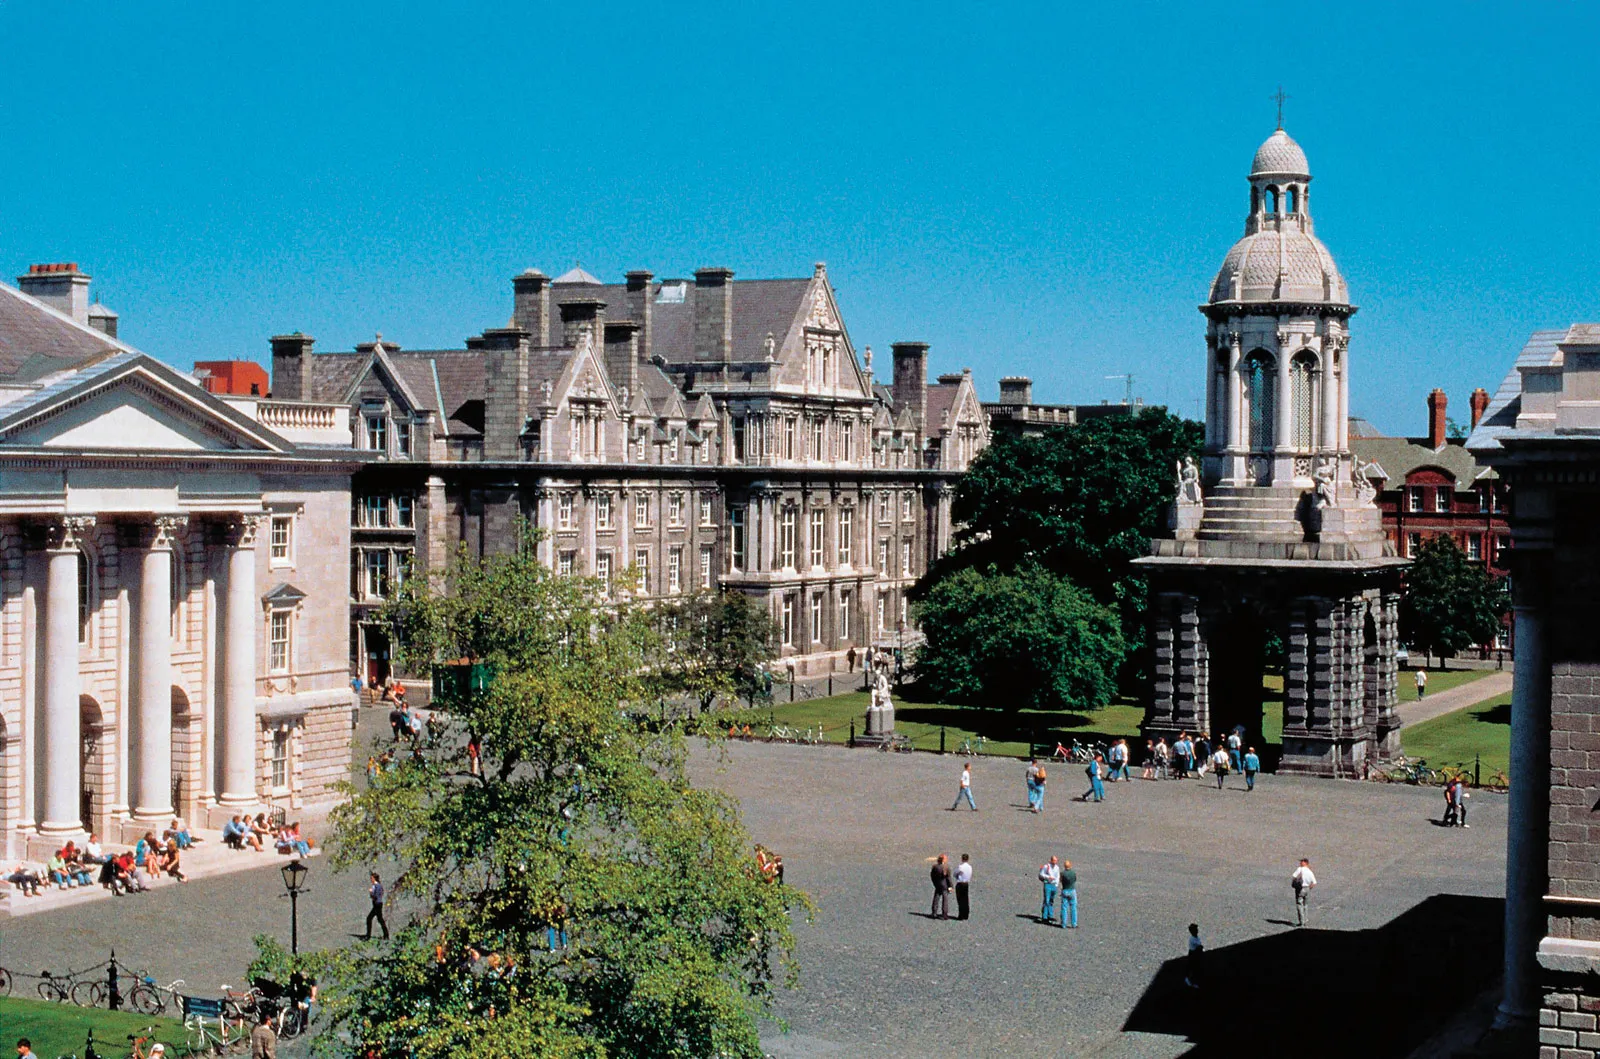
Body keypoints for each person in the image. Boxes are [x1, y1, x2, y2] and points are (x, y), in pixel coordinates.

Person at [1291, 858, 1317, 927]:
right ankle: (1306, 920)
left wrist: (1296, 881)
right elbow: (1314, 882)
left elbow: (1294, 876)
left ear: (1305, 863)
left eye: (1301, 862)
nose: (1300, 863)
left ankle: (1301, 922)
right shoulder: (1310, 872)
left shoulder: (1300, 869)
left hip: (1300, 889)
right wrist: (1309, 888)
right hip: (1307, 889)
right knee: (1306, 905)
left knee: (1299, 904)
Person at [929, 854, 952, 920]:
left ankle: (934, 912)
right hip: (944, 885)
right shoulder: (946, 867)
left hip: (938, 884)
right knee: (945, 900)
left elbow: (932, 876)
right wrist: (950, 886)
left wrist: (935, 883)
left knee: (936, 898)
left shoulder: (935, 867)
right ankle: (944, 914)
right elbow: (948, 878)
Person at [1038, 855, 1060, 923]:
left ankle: (1050, 915)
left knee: (1051, 900)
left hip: (1053, 885)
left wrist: (1056, 885)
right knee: (1046, 900)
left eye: (1056, 860)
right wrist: (1048, 877)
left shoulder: (1057, 867)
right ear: (1051, 860)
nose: (1055, 862)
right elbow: (1041, 874)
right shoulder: (1046, 866)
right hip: (1047, 884)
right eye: (1054, 860)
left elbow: (1058, 876)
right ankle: (1044, 916)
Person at [1057, 860, 1078, 928]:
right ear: (1070, 865)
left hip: (1065, 889)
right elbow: (1075, 879)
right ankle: (1074, 923)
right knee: (1073, 907)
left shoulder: (1062, 873)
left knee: (1064, 908)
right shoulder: (1073, 873)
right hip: (1072, 890)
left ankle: (1063, 924)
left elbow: (1060, 880)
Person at [1184, 923, 1204, 988]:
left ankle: (1191, 979)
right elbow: (1199, 947)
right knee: (1194, 968)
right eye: (1196, 929)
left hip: (1195, 954)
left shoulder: (1195, 937)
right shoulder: (1192, 939)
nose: (1197, 930)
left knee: (1195, 967)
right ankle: (1191, 981)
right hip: (1194, 954)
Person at [954, 854, 972, 921]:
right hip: (966, 884)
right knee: (966, 899)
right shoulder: (970, 867)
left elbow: (955, 874)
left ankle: (961, 915)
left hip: (960, 883)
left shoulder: (960, 867)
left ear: (962, 859)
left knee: (960, 900)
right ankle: (966, 915)